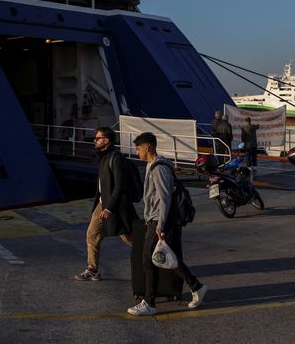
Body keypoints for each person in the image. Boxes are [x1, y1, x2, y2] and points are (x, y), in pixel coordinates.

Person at [127, 132, 208, 316]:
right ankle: (196, 287)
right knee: (165, 258)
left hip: (159, 220)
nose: (137, 152)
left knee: (149, 260)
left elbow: (164, 198)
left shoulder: (158, 169)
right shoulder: (151, 166)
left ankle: (149, 303)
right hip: (155, 219)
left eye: (138, 149)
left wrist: (160, 225)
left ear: (147, 148)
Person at [74, 126, 138, 281]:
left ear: (106, 140)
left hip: (115, 206)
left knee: (128, 238)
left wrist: (110, 207)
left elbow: (120, 185)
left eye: (97, 138)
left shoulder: (116, 158)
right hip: (102, 205)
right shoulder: (103, 157)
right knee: (92, 235)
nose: (94, 141)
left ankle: (156, 257)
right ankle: (93, 269)